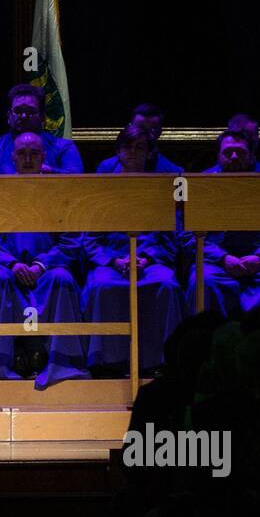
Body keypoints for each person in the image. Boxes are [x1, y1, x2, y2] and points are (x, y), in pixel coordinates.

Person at [0, 131, 86, 387]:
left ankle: (61, 365)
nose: (28, 159)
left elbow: (72, 239)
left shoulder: (57, 194)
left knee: (63, 279)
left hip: (46, 269)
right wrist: (13, 263)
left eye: (34, 154)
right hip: (7, 268)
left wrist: (41, 265)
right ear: (13, 157)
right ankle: (0, 367)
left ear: (44, 156)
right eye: (22, 154)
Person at [82, 125, 184, 374]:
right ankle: (106, 363)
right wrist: (115, 261)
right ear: (118, 151)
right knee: (101, 286)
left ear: (150, 153)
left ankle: (159, 362)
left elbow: (171, 238)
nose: (133, 153)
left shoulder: (162, 189)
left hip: (150, 261)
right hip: (112, 261)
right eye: (128, 147)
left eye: (140, 147)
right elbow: (90, 239)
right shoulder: (103, 190)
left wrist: (147, 259)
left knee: (166, 285)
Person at [187, 130, 260, 315]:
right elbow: (187, 233)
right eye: (228, 152)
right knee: (202, 281)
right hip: (216, 262)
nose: (234, 156)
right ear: (218, 155)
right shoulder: (201, 184)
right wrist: (222, 258)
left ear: (252, 155)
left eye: (241, 152)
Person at [0, 85, 83, 174]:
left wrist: (50, 172)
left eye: (30, 111)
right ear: (9, 116)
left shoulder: (63, 147)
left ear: (43, 116)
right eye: (18, 111)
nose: (24, 116)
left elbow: (78, 182)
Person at [95, 104, 182, 173]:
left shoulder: (172, 172)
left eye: (152, 129)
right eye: (140, 127)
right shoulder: (106, 169)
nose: (145, 134)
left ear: (160, 131)